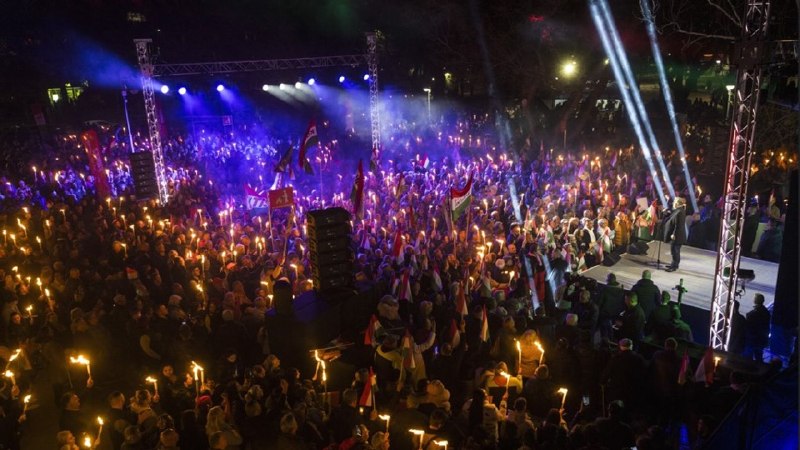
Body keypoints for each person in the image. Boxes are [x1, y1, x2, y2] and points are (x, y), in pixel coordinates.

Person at [745, 293, 771, 362]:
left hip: (754, 338)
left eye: (755, 298)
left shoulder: (756, 312)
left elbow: (751, 323)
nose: (753, 299)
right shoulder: (766, 312)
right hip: (760, 339)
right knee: (758, 356)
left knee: (749, 357)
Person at [663, 197, 687, 272]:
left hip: (678, 235)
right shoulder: (677, 210)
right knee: (673, 250)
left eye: (674, 202)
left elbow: (679, 225)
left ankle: (674, 266)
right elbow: (672, 217)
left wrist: (674, 234)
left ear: (677, 203)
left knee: (675, 251)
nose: (673, 203)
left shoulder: (680, 212)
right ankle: (673, 264)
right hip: (676, 235)